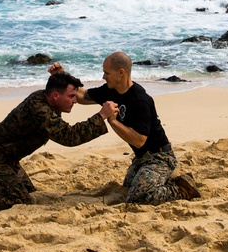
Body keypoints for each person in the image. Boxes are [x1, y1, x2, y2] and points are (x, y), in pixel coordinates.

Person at [0, 66, 118, 211]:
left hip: (7, 160)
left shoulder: (45, 99)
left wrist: (61, 75)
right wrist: (100, 116)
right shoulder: (40, 110)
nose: (75, 100)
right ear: (56, 96)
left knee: (29, 192)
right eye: (71, 96)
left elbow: (63, 98)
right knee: (16, 200)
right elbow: (69, 137)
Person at [67, 51, 200, 204]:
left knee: (138, 197)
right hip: (141, 158)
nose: (104, 77)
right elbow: (83, 96)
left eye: (107, 73)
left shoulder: (139, 100)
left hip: (160, 157)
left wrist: (113, 121)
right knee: (128, 187)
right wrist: (63, 76)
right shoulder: (111, 90)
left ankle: (181, 189)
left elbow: (139, 141)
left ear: (121, 72)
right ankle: (164, 179)